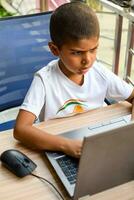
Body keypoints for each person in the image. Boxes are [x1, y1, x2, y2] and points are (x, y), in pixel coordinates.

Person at [13, 2, 134, 158]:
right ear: (54, 49)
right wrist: (66, 145)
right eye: (77, 53)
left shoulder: (98, 71)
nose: (87, 60)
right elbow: (21, 130)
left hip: (97, 138)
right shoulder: (44, 80)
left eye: (93, 49)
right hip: (59, 143)